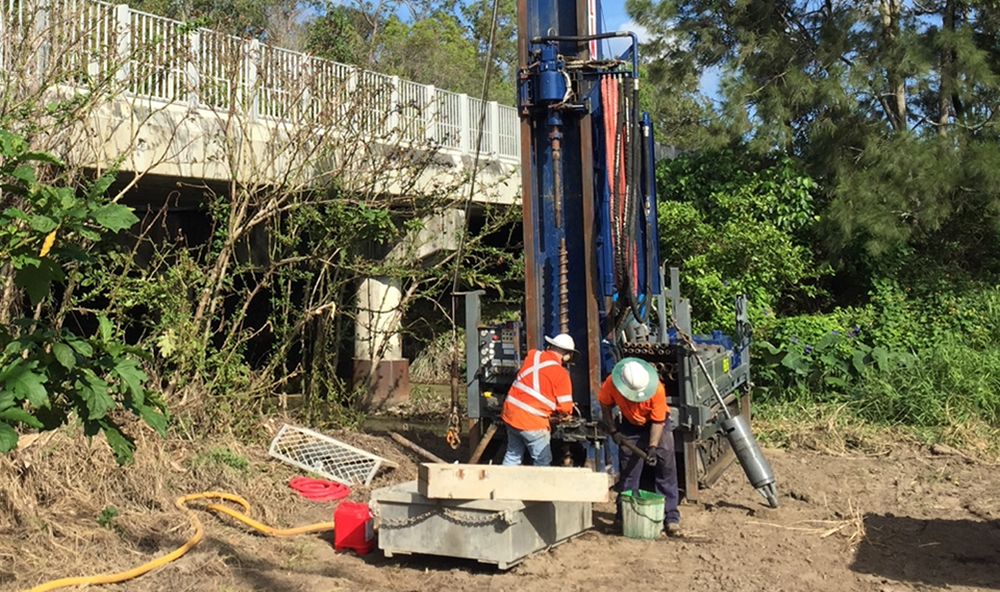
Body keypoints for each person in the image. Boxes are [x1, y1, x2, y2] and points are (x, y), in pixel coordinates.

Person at [600, 356, 682, 537]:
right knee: (629, 474)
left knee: (666, 470)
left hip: (656, 424)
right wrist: (614, 430)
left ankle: (671, 519)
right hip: (630, 426)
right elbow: (605, 405)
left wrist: (652, 447)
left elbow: (658, 421)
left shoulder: (657, 390)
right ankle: (623, 517)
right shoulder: (611, 384)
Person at [500, 333, 579, 466]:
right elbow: (565, 408)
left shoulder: (532, 355)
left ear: (550, 346)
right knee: (542, 460)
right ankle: (540, 487)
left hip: (510, 414)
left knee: (513, 454)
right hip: (531, 422)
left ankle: (502, 485)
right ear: (567, 355)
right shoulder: (561, 374)